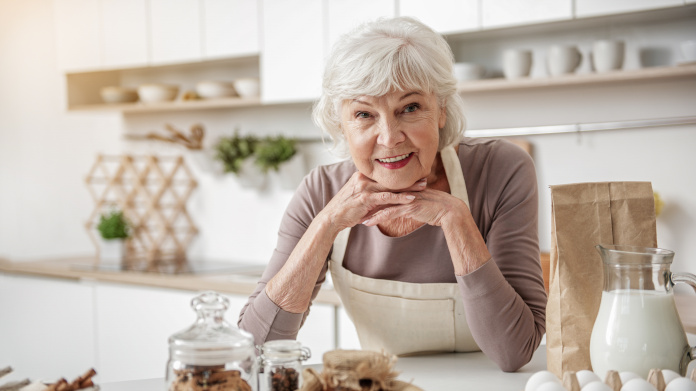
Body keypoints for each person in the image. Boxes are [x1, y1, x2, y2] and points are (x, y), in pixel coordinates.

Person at [238, 17, 546, 372]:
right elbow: (254, 351)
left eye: (410, 108)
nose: (389, 137)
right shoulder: (320, 192)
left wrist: (457, 221)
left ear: (441, 109)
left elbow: (515, 352)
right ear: (341, 124)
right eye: (364, 114)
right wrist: (326, 225)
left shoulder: (501, 170)